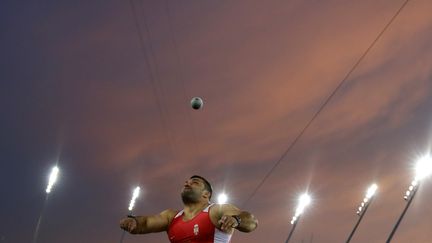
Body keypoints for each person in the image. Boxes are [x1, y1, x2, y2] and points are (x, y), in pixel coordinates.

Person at [119, 175, 258, 242]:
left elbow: (252, 222)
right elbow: (146, 223)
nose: (188, 183)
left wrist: (237, 220)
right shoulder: (171, 217)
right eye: (186, 182)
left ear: (206, 194)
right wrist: (134, 222)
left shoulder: (216, 211)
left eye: (194, 183)